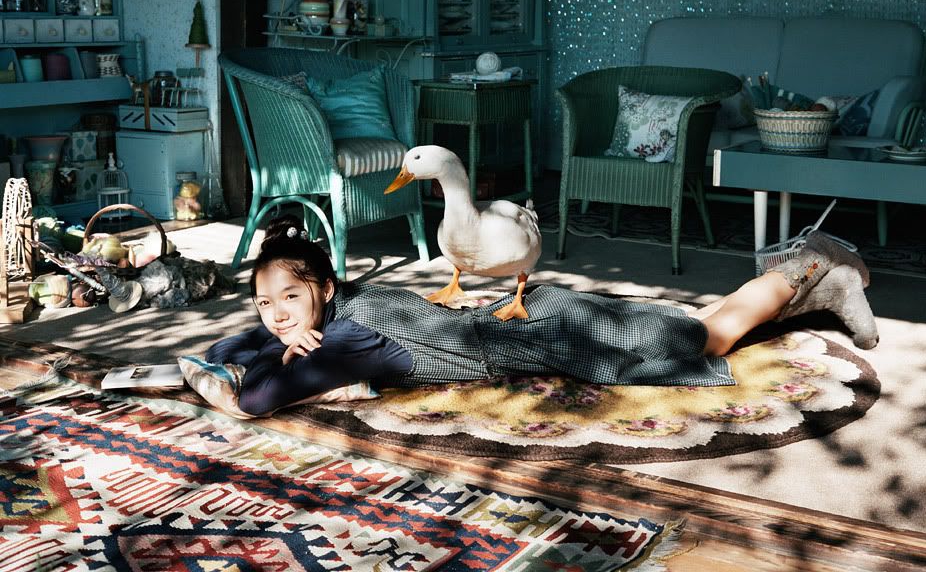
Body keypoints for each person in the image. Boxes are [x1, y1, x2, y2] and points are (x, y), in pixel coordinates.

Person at [205, 215, 877, 418]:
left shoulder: (344, 337)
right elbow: (235, 346)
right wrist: (272, 339)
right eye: (265, 303)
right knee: (693, 322)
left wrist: (270, 357)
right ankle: (818, 284)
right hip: (534, 318)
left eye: (290, 297)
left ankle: (813, 265)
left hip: (551, 332)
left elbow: (253, 399)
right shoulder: (348, 305)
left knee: (700, 338)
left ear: (324, 287)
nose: (277, 316)